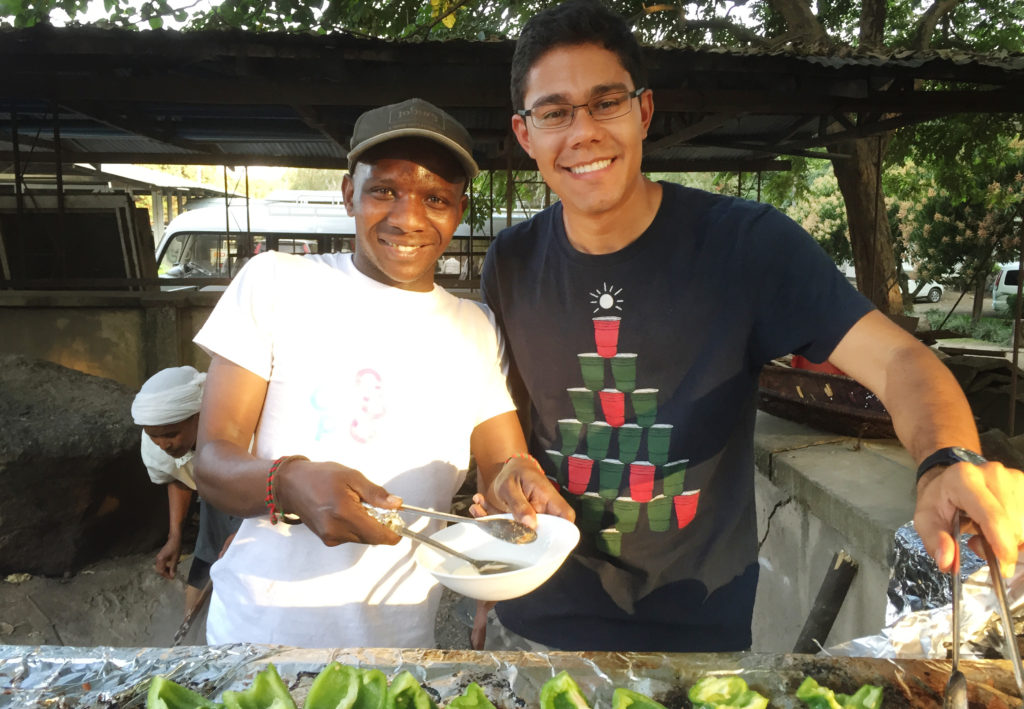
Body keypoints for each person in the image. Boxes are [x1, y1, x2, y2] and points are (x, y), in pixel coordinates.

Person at [472, 0, 1024, 653]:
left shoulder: (747, 247)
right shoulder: (510, 262)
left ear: (644, 111)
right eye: (555, 112)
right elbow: (499, 424)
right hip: (535, 623)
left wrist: (947, 460)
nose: (584, 131)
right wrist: (497, 524)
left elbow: (901, 361)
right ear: (525, 133)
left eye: (606, 102)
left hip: (697, 635)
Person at [191, 98, 570, 648]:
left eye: (435, 199)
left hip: (402, 639)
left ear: (459, 210)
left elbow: (503, 468)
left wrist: (520, 486)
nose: (408, 218)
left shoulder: (474, 326)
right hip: (260, 635)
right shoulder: (275, 283)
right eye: (384, 191)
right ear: (349, 194)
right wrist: (289, 482)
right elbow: (211, 462)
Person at [131, 366, 241, 620]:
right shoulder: (156, 441)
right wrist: (175, 536)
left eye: (171, 434)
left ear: (199, 416)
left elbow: (270, 488)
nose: (164, 444)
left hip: (261, 502)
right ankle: (189, 635)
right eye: (154, 436)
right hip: (214, 495)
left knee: (246, 568)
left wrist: (245, 533)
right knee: (205, 563)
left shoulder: (236, 432)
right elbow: (179, 477)